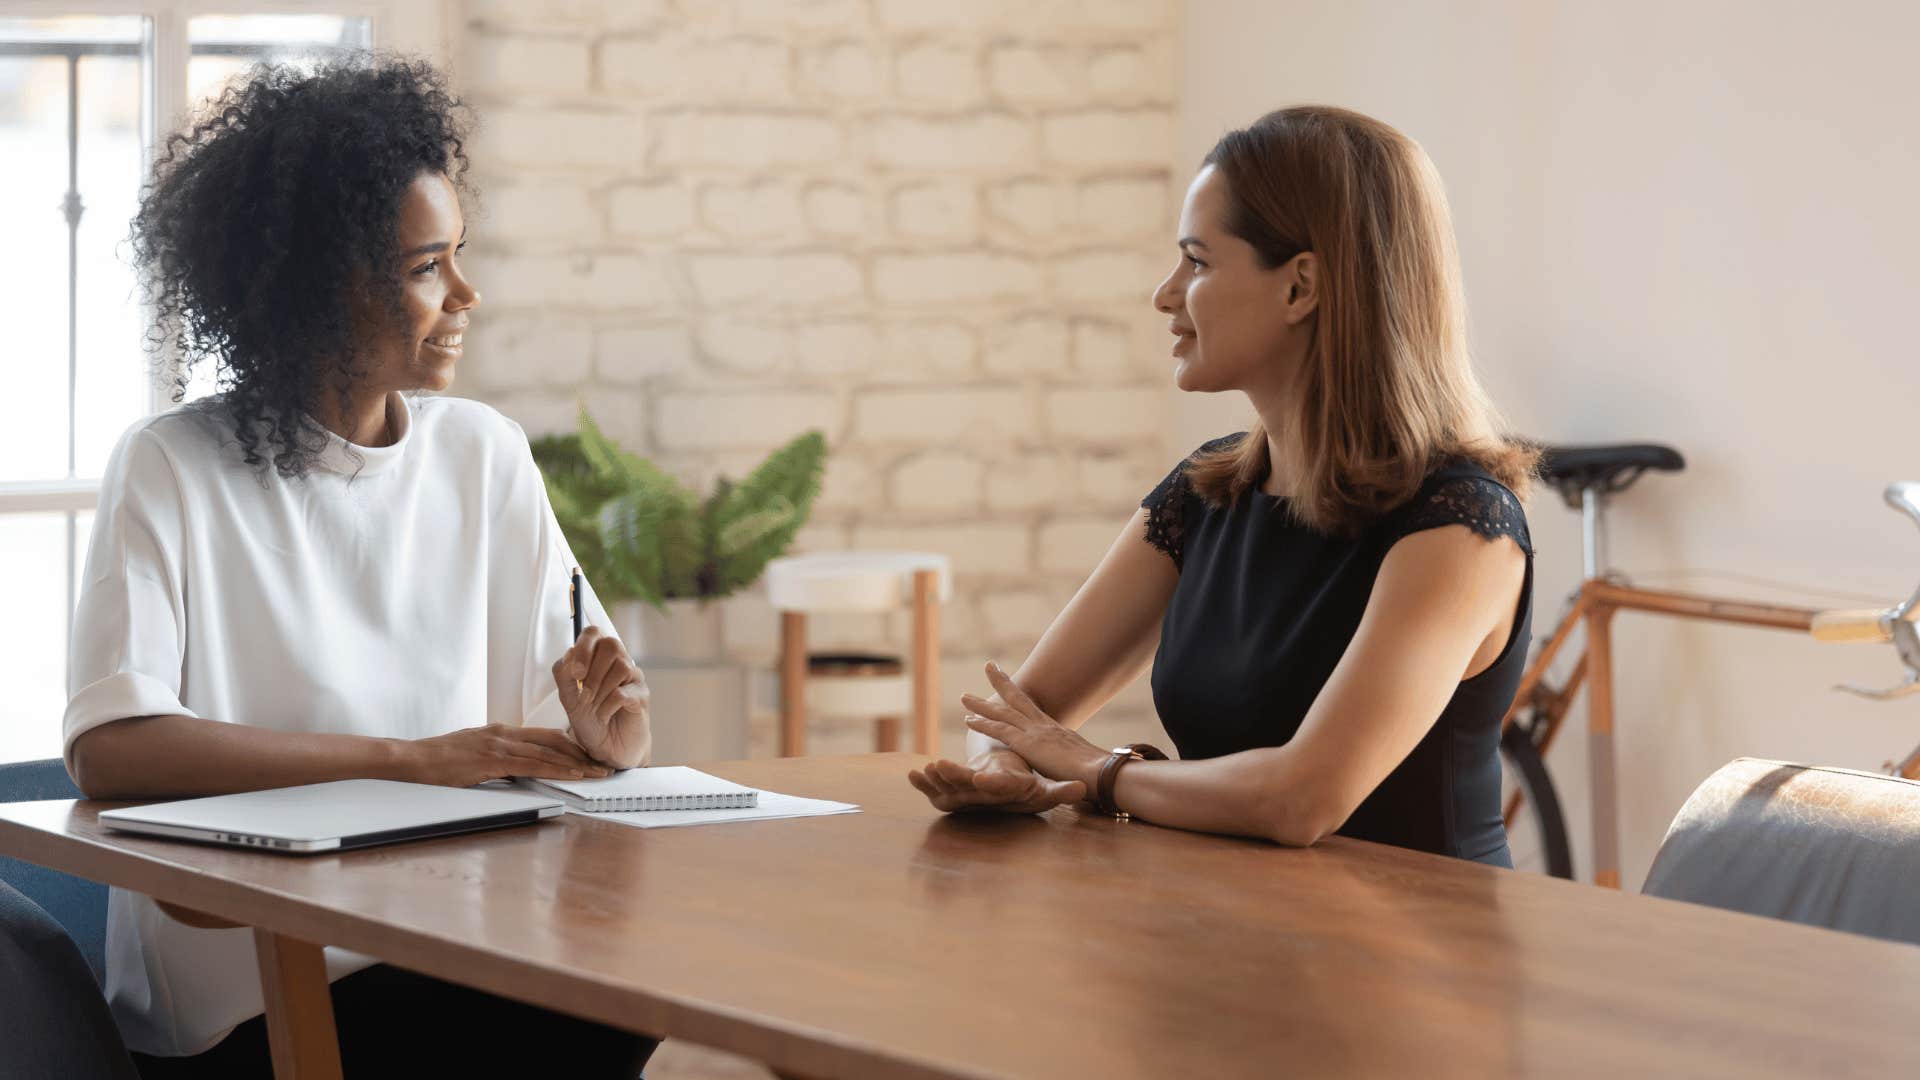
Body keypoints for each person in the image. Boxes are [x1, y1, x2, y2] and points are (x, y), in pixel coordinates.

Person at [65, 56, 656, 1077]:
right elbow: (114, 749)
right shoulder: (171, 465)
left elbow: (555, 726)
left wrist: (612, 737)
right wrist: (408, 758)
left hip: (450, 948)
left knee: (633, 1007)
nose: (468, 292)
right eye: (428, 267)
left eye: (459, 256)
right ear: (321, 287)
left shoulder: (483, 454)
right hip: (246, 1003)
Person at [909, 105, 1536, 867]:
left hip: (1417, 966)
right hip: (1237, 936)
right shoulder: (1206, 492)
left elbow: (1300, 799)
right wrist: (1006, 769)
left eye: (1198, 263)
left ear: (1301, 286)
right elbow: (1020, 715)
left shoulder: (1461, 525)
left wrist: (1093, 770)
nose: (1165, 295)